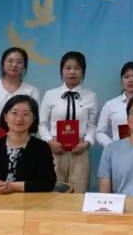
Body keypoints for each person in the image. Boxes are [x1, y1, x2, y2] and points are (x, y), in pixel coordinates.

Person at [38, 51, 98, 194]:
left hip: (80, 148)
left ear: (83, 72)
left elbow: (91, 125)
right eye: (68, 68)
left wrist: (87, 143)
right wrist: (50, 142)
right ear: (62, 70)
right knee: (53, 192)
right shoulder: (50, 95)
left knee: (79, 191)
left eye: (77, 68)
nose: (72, 72)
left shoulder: (91, 96)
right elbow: (42, 124)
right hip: (55, 148)